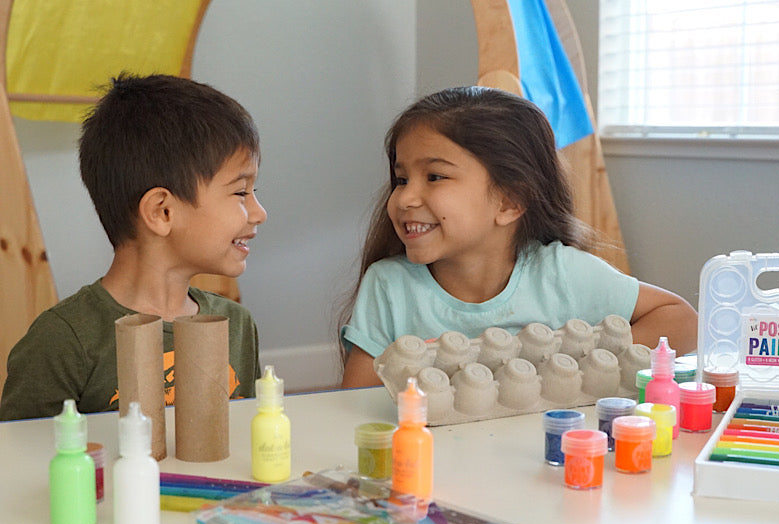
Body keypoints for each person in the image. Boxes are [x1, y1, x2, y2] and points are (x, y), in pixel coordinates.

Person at [339, 86, 697, 389]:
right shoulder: (389, 286)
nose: (404, 198)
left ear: (510, 201)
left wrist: (588, 365)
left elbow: (681, 319)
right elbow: (354, 404)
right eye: (401, 180)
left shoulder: (562, 275)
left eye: (434, 177)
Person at [0, 73, 267, 420]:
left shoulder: (237, 325)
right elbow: (20, 461)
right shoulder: (62, 341)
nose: (259, 213)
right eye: (241, 193)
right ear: (162, 211)